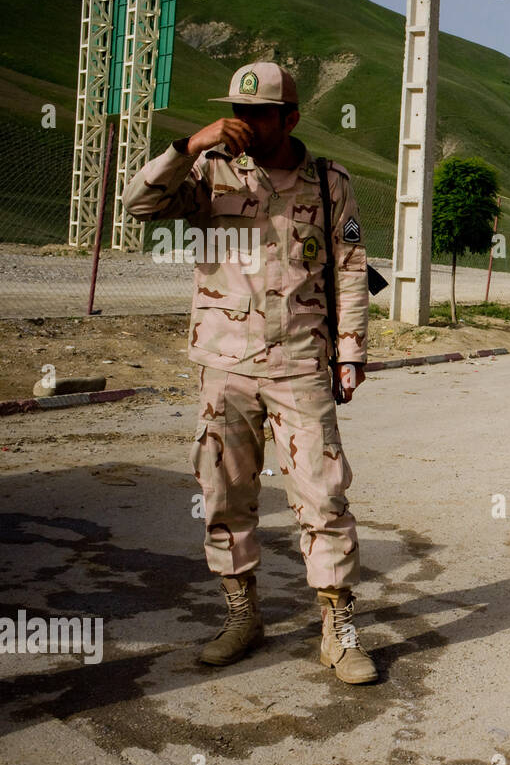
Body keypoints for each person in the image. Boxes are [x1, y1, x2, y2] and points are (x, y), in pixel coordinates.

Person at [125, 62, 378, 684]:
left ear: (290, 117)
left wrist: (350, 351)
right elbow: (139, 204)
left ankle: (339, 632)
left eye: (261, 113)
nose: (246, 122)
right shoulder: (209, 172)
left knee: (323, 496)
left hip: (298, 363)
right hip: (225, 363)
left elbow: (349, 265)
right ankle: (241, 615)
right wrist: (188, 146)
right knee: (225, 494)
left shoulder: (329, 182)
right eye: (239, 110)